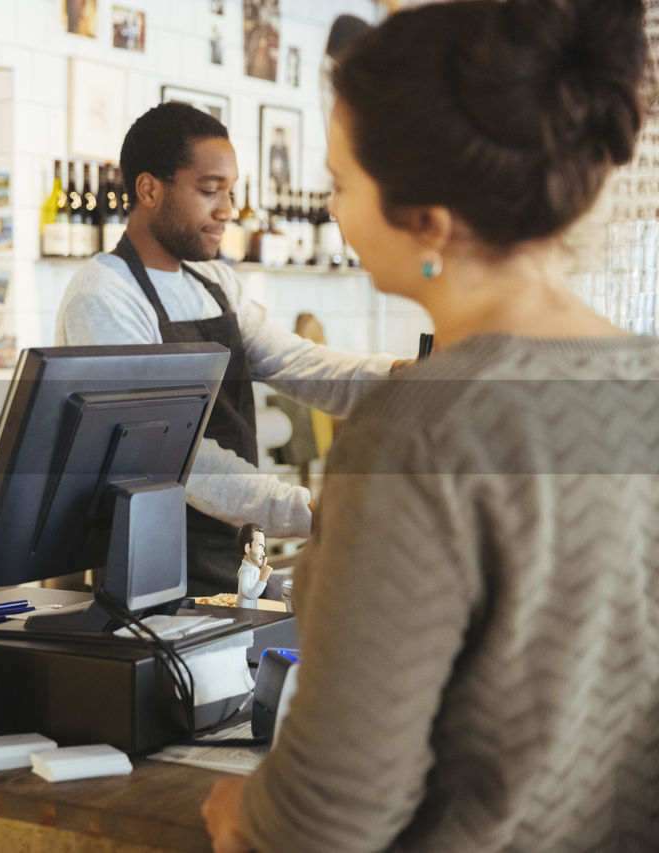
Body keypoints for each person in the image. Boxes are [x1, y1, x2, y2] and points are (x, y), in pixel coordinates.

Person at [203, 1, 659, 850]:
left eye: (342, 185)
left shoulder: (419, 435)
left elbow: (328, 818)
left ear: (430, 221)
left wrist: (244, 817)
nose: (334, 213)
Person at [55, 101, 397, 595]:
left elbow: (298, 362)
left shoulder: (215, 281)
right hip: (153, 567)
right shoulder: (104, 293)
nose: (227, 211)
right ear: (149, 189)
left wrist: (404, 378)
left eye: (230, 192)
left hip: (237, 551)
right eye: (210, 191)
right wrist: (308, 512)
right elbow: (167, 448)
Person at [234, 523, 271, 609]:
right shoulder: (245, 572)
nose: (264, 553)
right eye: (260, 547)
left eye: (263, 548)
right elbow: (249, 594)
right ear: (247, 548)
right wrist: (263, 579)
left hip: (252, 612)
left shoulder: (254, 570)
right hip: (244, 613)